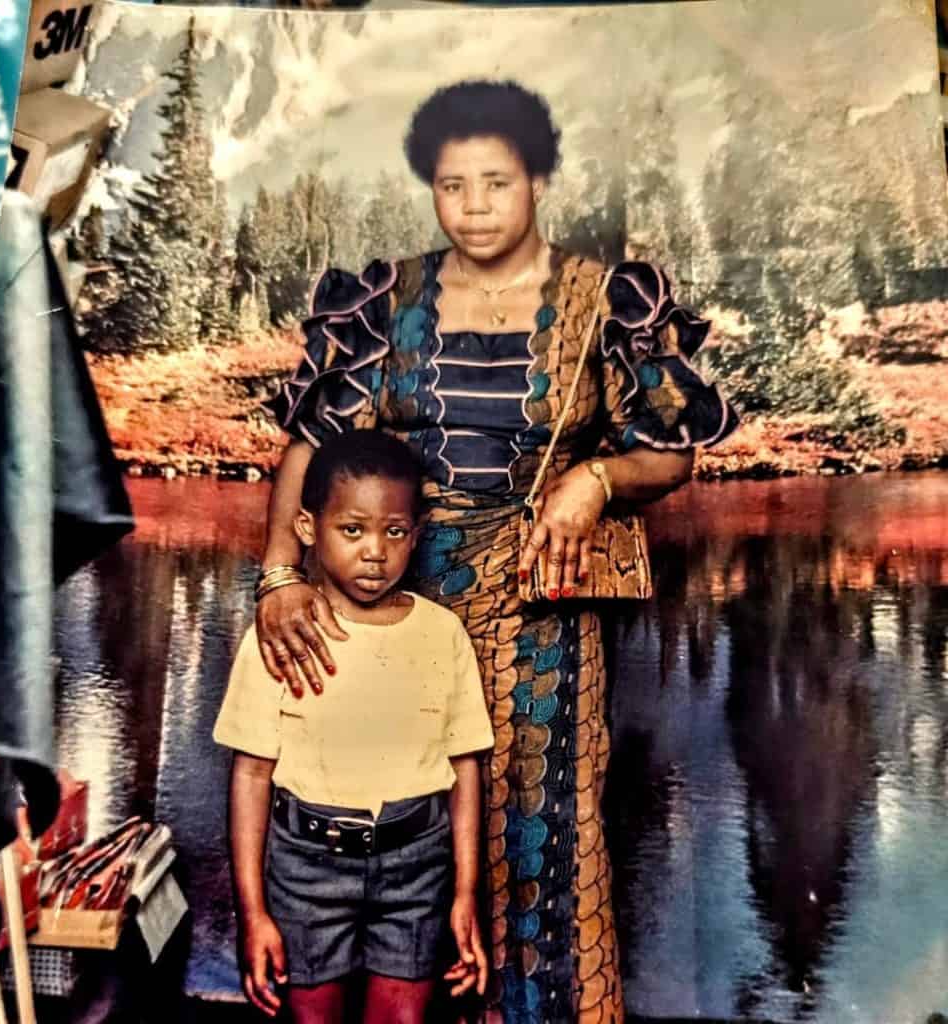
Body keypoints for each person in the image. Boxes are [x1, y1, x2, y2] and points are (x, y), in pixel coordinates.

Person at [256, 79, 738, 1023]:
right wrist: (279, 576)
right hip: (389, 601)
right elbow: (312, 444)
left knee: (539, 827)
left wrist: (595, 480)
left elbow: (671, 451)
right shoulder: (386, 299)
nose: (474, 207)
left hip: (540, 611)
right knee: (393, 813)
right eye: (452, 186)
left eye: (497, 183)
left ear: (540, 181)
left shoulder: (603, 301)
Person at [215, 429, 494, 1023]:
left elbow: (465, 770)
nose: (374, 552)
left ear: (416, 534)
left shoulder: (441, 634)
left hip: (417, 866)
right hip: (306, 869)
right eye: (352, 530)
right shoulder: (282, 635)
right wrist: (253, 913)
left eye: (394, 532)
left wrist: (465, 892)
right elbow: (251, 777)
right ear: (308, 527)